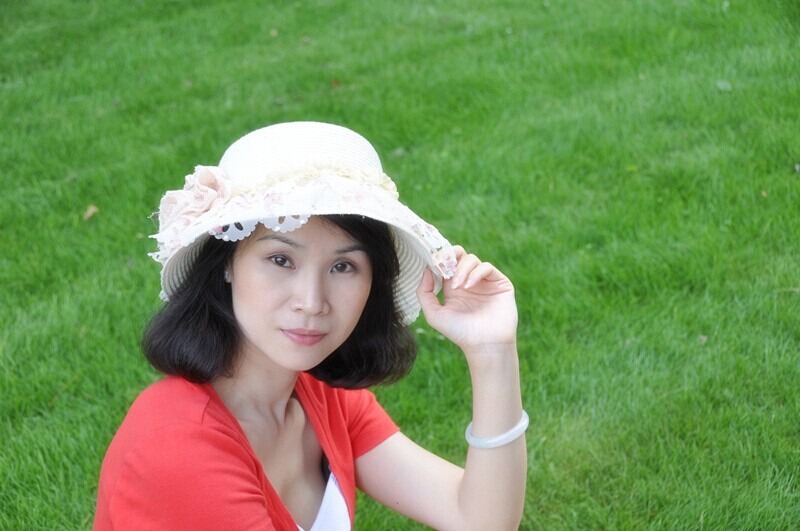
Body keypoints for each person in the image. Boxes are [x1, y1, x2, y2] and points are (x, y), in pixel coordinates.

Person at [94, 122, 526, 530]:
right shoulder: (175, 449)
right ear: (226, 263)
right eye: (281, 259)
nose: (312, 301)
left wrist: (493, 351)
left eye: (343, 266)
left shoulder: (320, 396)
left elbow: (480, 520)